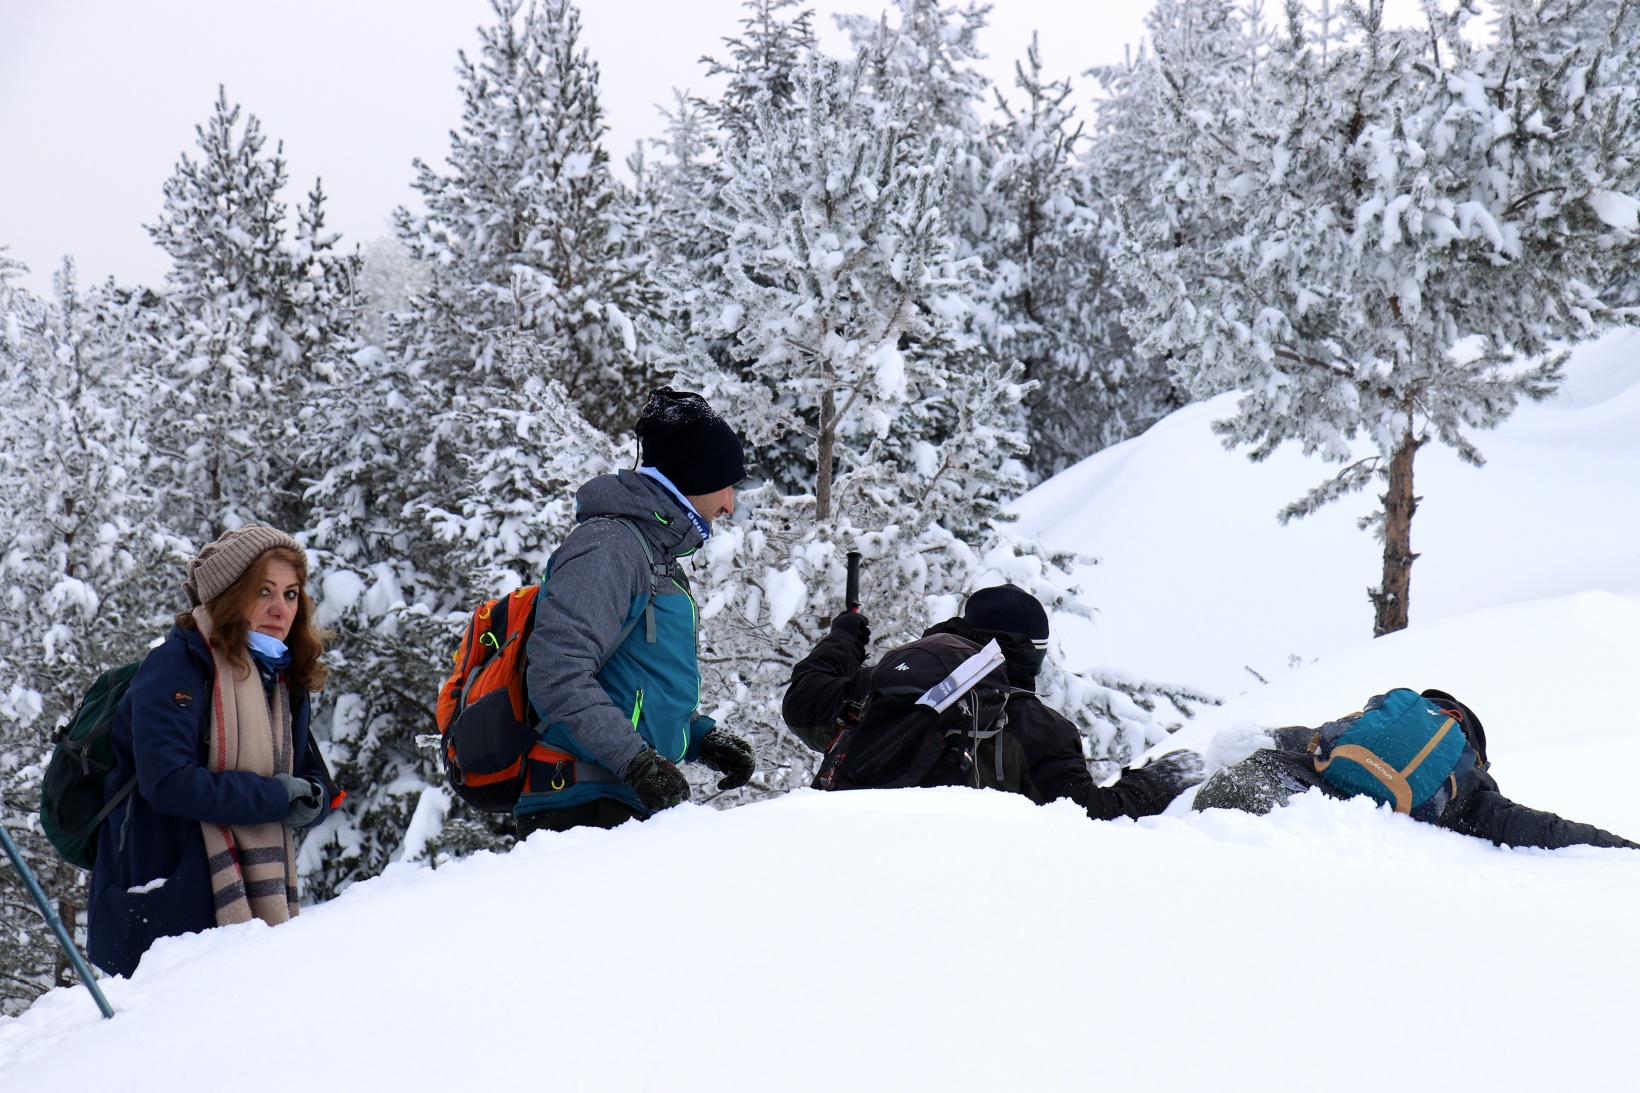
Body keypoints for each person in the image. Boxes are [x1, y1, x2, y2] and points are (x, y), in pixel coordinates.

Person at [87, 526, 338, 977]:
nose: (280, 609)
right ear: (230, 594)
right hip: (163, 907)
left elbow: (314, 781)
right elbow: (168, 783)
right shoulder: (176, 667)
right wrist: (279, 798)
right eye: (264, 591)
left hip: (244, 906)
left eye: (291, 594)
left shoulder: (279, 679)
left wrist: (311, 799)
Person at [517, 388, 757, 837]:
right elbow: (557, 672)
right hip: (580, 809)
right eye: (727, 484)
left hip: (621, 803)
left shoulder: (654, 555)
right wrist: (637, 762)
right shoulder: (608, 547)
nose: (729, 504)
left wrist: (702, 738)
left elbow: (638, 690)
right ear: (696, 474)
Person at [783, 583, 1206, 818]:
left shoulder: (883, 685)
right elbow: (1092, 817)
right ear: (1031, 656)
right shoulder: (1041, 729)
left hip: (840, 851)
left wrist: (844, 639)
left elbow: (802, 702)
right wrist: (1155, 782)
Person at [1193, 688, 1638, 850]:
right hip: (1327, 825)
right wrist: (1621, 846)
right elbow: (1544, 829)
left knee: (1229, 795)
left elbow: (1295, 738)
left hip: (1283, 783)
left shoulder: (1379, 724)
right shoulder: (1471, 784)